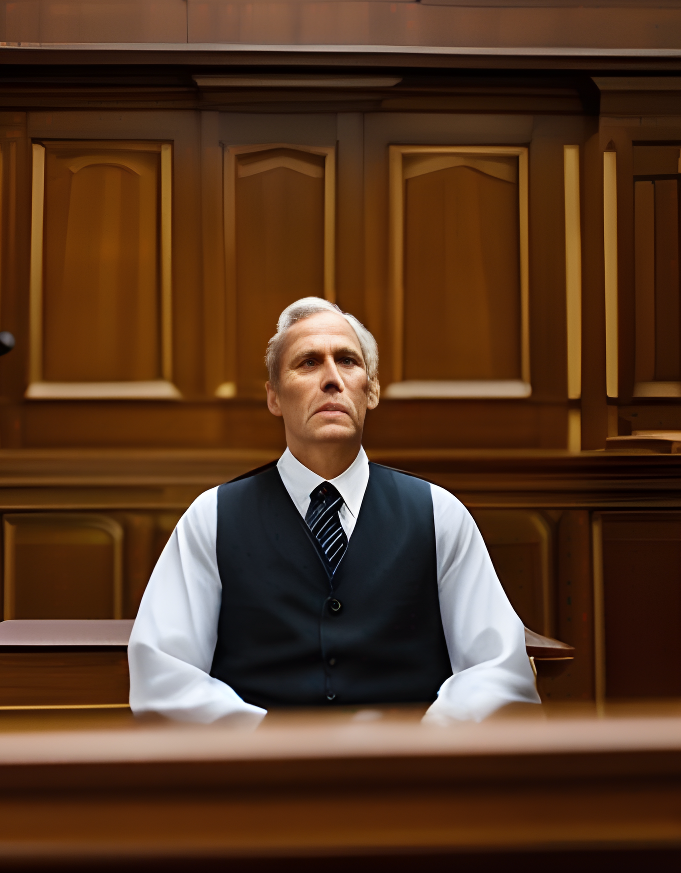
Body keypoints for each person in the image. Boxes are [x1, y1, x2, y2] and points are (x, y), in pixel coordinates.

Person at [128, 297, 540, 726]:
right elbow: (163, 674)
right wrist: (268, 738)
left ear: (372, 389)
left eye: (347, 360)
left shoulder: (439, 514)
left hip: (407, 782)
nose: (331, 379)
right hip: (262, 782)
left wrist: (424, 739)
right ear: (274, 397)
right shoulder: (210, 518)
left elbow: (499, 670)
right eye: (308, 363)